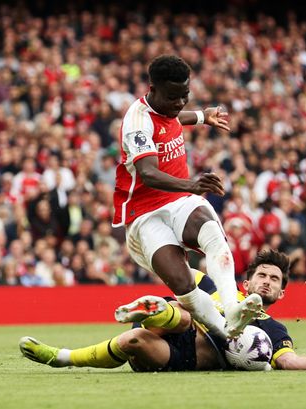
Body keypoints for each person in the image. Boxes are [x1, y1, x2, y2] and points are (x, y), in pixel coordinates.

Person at [111, 54, 261, 339]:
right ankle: (226, 335)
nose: (180, 103)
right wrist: (192, 185)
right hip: (144, 213)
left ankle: (232, 309)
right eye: (173, 97)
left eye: (185, 95)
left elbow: (174, 115)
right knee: (182, 283)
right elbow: (148, 174)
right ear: (152, 90)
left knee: (211, 230)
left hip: (178, 200)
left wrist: (203, 116)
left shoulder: (168, 107)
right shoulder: (137, 123)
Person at [19, 250, 306, 372]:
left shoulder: (274, 329)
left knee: (134, 339)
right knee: (189, 308)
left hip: (187, 359)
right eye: (261, 276)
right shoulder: (214, 287)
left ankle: (63, 356)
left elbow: (286, 360)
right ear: (246, 283)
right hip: (183, 324)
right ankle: (152, 309)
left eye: (273, 279)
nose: (266, 282)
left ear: (281, 292)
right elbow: (177, 268)